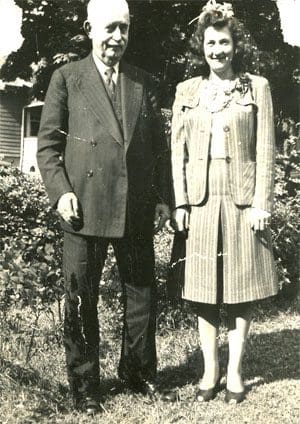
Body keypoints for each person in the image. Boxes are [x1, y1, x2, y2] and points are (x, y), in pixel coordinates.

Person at [37, 0, 171, 415]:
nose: (118, 38)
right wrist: (61, 192)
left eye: (125, 29)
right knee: (81, 300)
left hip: (135, 207)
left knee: (142, 296)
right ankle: (85, 386)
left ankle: (139, 373)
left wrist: (164, 197)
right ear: (90, 28)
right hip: (84, 209)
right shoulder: (66, 78)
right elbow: (48, 146)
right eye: (111, 28)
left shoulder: (143, 81)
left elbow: (158, 152)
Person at [170, 0, 278, 404]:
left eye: (225, 43)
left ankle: (234, 371)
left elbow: (265, 147)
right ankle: (209, 369)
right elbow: (176, 153)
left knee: (239, 285)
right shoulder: (187, 90)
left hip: (241, 197)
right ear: (202, 47)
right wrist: (180, 202)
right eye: (211, 43)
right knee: (200, 287)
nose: (218, 51)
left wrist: (261, 201)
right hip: (199, 198)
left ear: (236, 45)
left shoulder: (257, 87)